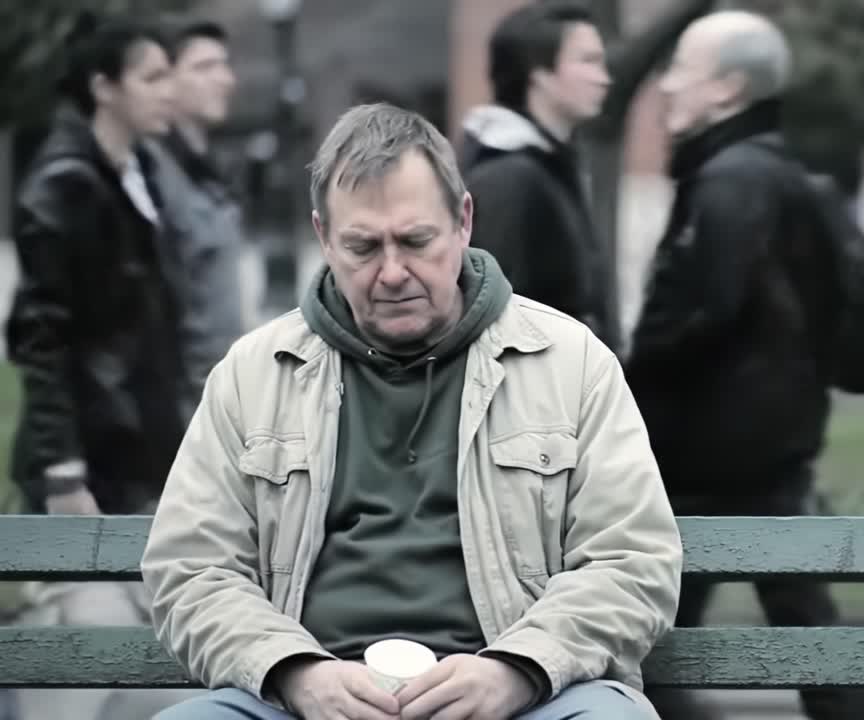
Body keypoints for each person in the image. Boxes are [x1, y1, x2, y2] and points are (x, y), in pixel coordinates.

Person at [142, 102, 681, 720]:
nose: (393, 272)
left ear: (463, 222)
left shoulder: (570, 362)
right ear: (323, 238)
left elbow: (631, 561)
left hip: (520, 698)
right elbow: (192, 569)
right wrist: (294, 672)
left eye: (416, 241)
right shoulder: (253, 374)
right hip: (308, 702)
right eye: (363, 247)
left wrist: (519, 668)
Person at [627, 11, 864, 720]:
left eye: (682, 68)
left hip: (710, 459)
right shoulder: (772, 175)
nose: (666, 84)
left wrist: (629, 381)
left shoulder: (730, 182)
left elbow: (700, 313)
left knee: (647, 645)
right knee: (798, 629)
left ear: (728, 89)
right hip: (767, 450)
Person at [4, 14, 200, 720]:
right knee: (84, 646)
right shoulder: (66, 183)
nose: (168, 91)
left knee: (138, 640)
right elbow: (40, 339)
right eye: (151, 77)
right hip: (87, 461)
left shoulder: (135, 173)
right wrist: (62, 468)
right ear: (103, 87)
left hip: (134, 448)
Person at [458, 2, 619, 350]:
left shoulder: (551, 165)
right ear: (539, 73)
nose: (604, 78)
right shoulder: (510, 178)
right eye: (588, 61)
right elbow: (496, 318)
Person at [147, 19, 245, 422]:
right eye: (204, 67)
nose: (225, 79)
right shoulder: (150, 175)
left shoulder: (206, 173)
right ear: (165, 81)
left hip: (217, 400)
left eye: (224, 65)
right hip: (177, 412)